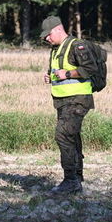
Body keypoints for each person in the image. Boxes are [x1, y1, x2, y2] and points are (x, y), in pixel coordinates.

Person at [41, 16, 97, 195]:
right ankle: (77, 178)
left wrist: (67, 73)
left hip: (78, 100)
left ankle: (70, 180)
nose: (46, 39)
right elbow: (60, 73)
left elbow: (90, 68)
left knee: (63, 136)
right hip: (63, 101)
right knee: (72, 137)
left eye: (48, 35)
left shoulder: (77, 46)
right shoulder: (56, 49)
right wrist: (52, 76)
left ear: (58, 29)